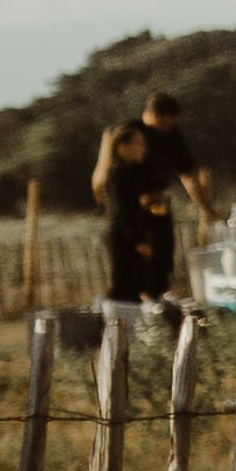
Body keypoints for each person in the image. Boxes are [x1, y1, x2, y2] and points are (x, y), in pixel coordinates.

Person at [96, 90, 201, 312]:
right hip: (132, 222)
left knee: (160, 261)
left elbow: (187, 170)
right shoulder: (125, 154)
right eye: (139, 145)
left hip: (155, 209)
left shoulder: (172, 136)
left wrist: (202, 203)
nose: (144, 148)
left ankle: (156, 302)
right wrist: (138, 239)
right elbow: (120, 204)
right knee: (127, 280)